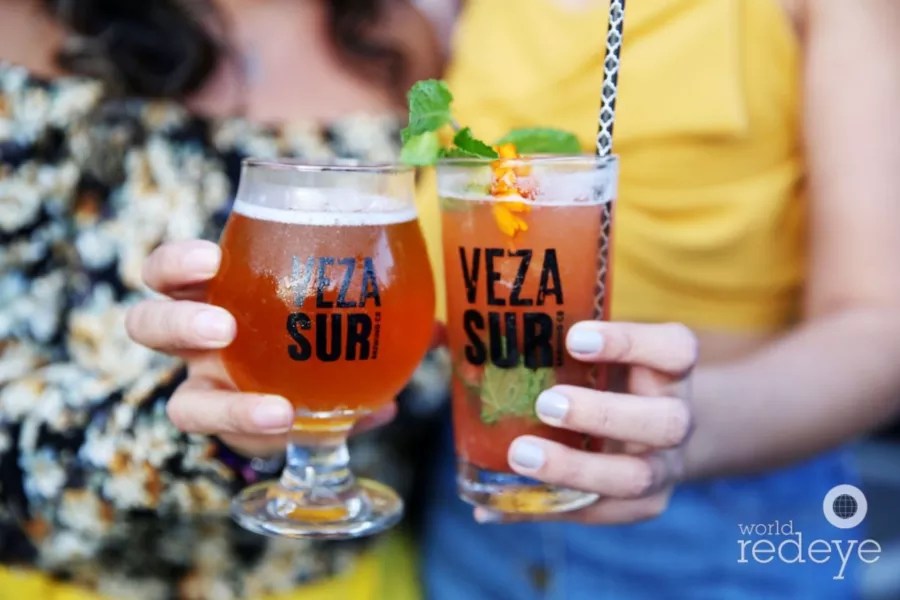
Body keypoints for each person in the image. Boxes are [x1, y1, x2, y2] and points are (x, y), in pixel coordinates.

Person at [129, 0, 900, 597]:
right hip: (470, 510)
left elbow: (880, 324)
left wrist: (686, 431)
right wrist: (269, 380)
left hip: (722, 530)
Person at [0, 0, 442, 597]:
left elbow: (422, 335)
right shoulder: (22, 28)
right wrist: (200, 434)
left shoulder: (397, 35)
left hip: (359, 578)